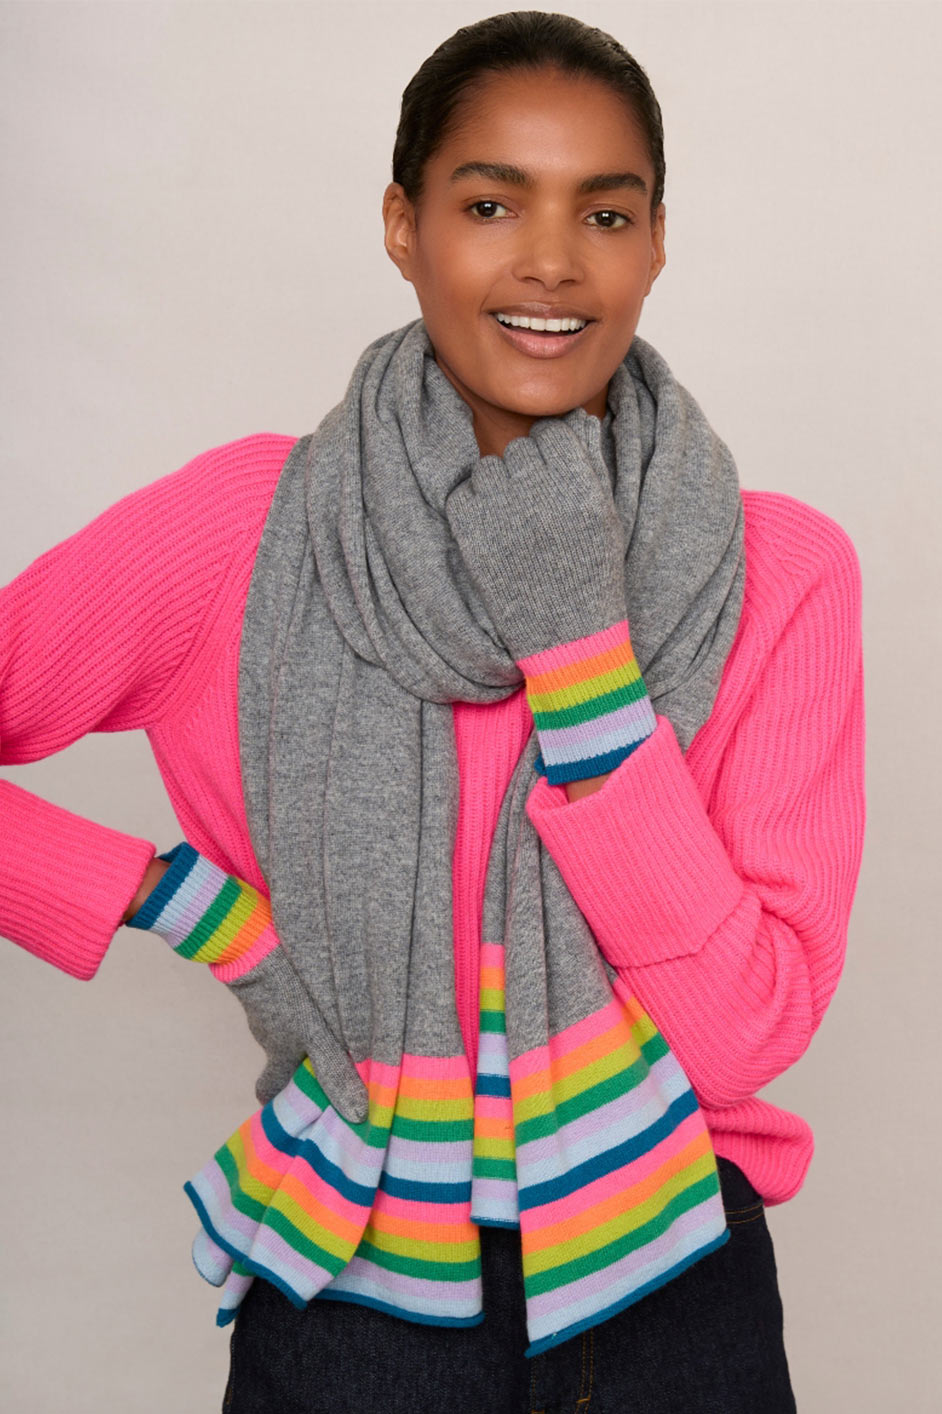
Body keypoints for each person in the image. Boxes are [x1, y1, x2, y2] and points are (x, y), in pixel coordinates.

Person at [0, 10, 865, 1412]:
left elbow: (742, 1036)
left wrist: (580, 654)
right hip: (352, 1293)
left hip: (676, 1297)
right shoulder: (248, 533)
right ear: (403, 227)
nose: (549, 259)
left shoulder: (781, 571)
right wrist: (180, 906)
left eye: (604, 212)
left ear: (656, 243)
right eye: (488, 204)